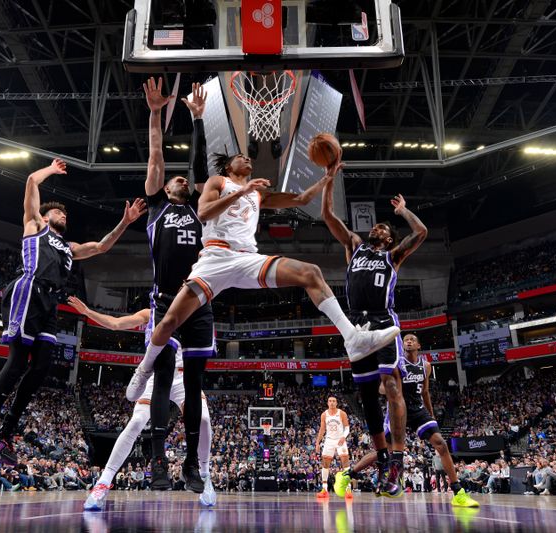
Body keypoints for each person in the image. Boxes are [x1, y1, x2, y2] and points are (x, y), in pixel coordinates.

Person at [126, 145, 400, 433]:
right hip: (216, 257)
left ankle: (352, 338)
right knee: (169, 320)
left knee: (311, 273)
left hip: (247, 258)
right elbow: (204, 213)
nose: (247, 159)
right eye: (241, 156)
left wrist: (327, 177)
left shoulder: (258, 193)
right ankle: (144, 368)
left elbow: (302, 198)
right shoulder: (218, 183)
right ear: (229, 166)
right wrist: (242, 192)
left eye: (248, 158)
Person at [0, 157, 146, 465]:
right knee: (16, 361)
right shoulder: (35, 226)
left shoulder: (69, 247)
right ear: (46, 216)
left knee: (40, 369)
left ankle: (5, 434)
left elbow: (102, 247)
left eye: (65, 212)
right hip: (29, 289)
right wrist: (50, 170)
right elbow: (31, 183)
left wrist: (125, 222)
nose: (63, 214)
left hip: (51, 302)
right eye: (58, 211)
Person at [120, 78, 215, 496]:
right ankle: (159, 462)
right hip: (163, 303)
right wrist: (157, 113)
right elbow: (157, 154)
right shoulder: (156, 207)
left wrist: (197, 120)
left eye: (182, 179)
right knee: (161, 383)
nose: (178, 179)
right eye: (172, 179)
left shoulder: (199, 209)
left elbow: (200, 166)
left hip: (198, 301)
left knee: (193, 385)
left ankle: (192, 464)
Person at [321, 173, 427, 497]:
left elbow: (421, 232)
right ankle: (382, 457)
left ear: (390, 239)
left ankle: (397, 456)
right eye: (375, 226)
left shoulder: (392, 256)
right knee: (367, 394)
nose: (377, 227)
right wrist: (328, 180)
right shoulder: (354, 245)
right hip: (356, 326)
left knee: (391, 383)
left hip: (382, 323)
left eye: (383, 227)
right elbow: (327, 216)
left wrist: (404, 211)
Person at [68, 297, 215, 510]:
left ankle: (204, 475)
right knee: (136, 421)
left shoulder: (193, 312)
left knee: (202, 418)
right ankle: (103, 482)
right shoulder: (152, 313)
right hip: (157, 375)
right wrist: (89, 312)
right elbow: (117, 324)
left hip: (183, 377)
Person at [334, 334, 479, 507]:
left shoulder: (426, 366)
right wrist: (387, 387)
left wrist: (431, 414)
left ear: (419, 345)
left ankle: (458, 492)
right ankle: (347, 475)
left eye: (412, 339)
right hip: (397, 410)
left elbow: (425, 392)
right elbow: (381, 388)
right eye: (405, 340)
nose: (408, 341)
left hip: (418, 410)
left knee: (441, 443)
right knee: (384, 452)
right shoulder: (396, 364)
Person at [314, 396, 350, 499]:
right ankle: (324, 489)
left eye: (334, 401)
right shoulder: (324, 415)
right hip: (329, 440)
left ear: (336, 403)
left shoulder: (342, 413)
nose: (332, 403)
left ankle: (348, 489)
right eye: (330, 401)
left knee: (345, 463)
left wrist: (344, 436)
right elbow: (322, 430)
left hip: (340, 440)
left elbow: (347, 427)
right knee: (325, 464)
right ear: (327, 403)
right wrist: (317, 443)